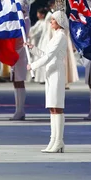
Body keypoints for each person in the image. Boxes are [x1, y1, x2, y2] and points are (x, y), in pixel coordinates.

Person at [26, 10, 69, 153]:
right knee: (52, 108)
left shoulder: (61, 36)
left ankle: (59, 141)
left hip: (56, 72)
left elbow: (49, 57)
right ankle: (53, 140)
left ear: (59, 22)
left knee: (57, 107)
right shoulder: (55, 36)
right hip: (50, 73)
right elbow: (45, 54)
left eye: (53, 20)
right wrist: (33, 49)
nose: (50, 22)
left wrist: (33, 65)